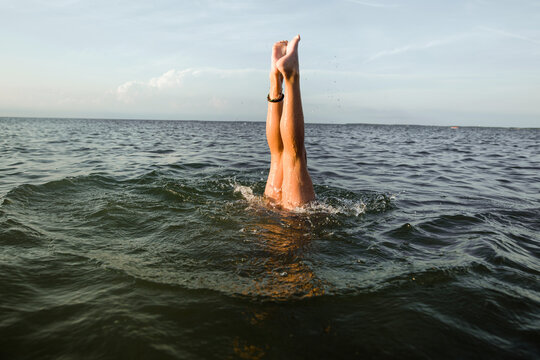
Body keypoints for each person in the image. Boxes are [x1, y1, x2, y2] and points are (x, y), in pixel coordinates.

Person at [264, 35, 315, 210]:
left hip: (268, 210)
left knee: (279, 156)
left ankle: (275, 82)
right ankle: (290, 77)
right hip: (294, 224)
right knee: (293, 158)